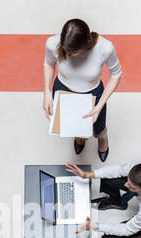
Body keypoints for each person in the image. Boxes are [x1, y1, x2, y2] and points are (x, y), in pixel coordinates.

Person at [43, 18, 122, 161]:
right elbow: (48, 64)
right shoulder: (52, 44)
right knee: (74, 126)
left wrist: (99, 106)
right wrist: (47, 93)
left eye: (72, 52)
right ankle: (80, 138)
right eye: (66, 51)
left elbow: (116, 74)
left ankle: (102, 138)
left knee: (98, 128)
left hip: (93, 92)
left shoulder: (105, 48)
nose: (67, 56)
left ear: (86, 46)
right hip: (63, 89)